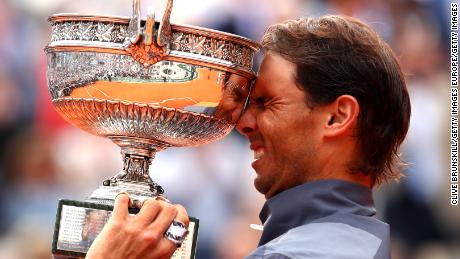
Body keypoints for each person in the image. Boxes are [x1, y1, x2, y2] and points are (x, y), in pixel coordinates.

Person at [86, 14, 411, 259]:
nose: (242, 122)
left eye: (265, 102)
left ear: (337, 117)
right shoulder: (364, 241)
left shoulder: (292, 255)